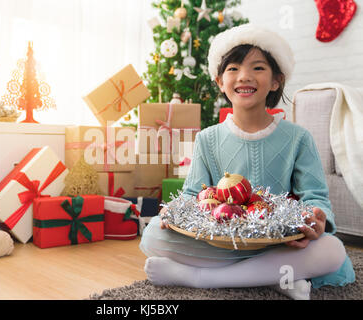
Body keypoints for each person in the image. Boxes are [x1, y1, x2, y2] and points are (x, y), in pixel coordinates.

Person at [139, 24, 355, 300]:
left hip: (282, 241)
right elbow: (193, 195)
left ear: (276, 81)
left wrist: (317, 219)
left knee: (332, 250)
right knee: (154, 233)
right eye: (233, 68)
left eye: (258, 68)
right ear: (219, 81)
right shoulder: (208, 139)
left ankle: (203, 278)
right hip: (222, 240)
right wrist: (175, 212)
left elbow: (315, 196)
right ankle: (273, 276)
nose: (244, 77)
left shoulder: (298, 138)